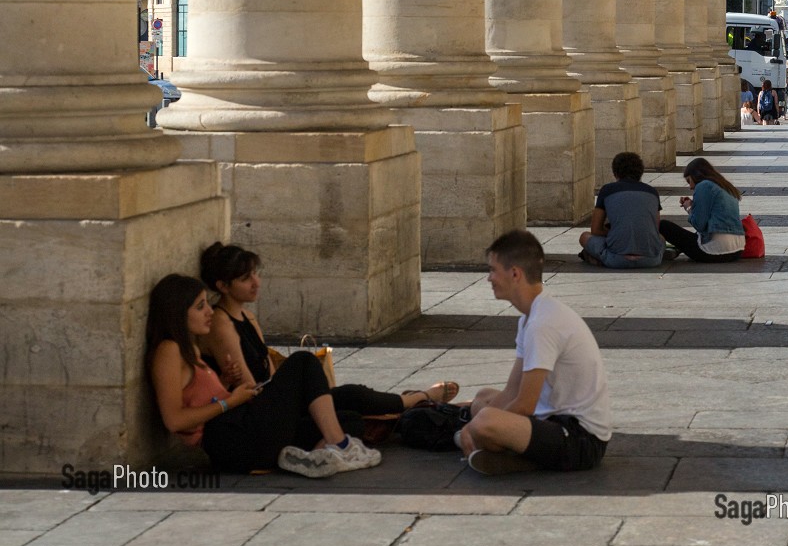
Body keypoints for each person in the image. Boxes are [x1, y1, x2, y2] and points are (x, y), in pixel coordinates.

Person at [146, 274, 382, 478]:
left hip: (242, 430)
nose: (209, 311)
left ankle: (309, 457)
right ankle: (337, 445)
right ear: (177, 313)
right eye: (200, 307)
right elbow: (174, 420)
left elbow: (197, 395)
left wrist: (225, 381)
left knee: (349, 420)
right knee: (303, 361)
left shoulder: (191, 349)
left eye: (207, 303)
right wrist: (230, 401)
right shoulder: (169, 350)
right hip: (229, 438)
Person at [198, 241, 458, 406]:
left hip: (273, 398)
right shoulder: (221, 324)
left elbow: (268, 371)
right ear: (223, 286)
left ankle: (414, 402)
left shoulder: (247, 316)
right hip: (260, 409)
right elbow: (249, 386)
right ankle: (420, 399)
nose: (256, 283)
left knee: (351, 404)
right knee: (346, 395)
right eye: (246, 278)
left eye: (256, 274)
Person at [456, 230, 611, 476]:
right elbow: (511, 390)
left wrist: (475, 427)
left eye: (493, 270)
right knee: (483, 399)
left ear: (515, 273)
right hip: (553, 420)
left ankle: (522, 459)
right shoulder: (531, 317)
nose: (489, 278)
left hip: (581, 439)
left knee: (485, 422)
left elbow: (525, 404)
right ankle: (510, 453)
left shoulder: (543, 323)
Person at [578, 152, 665, 269]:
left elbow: (596, 230)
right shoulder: (652, 192)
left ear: (615, 173)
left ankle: (598, 257)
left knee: (584, 236)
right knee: (661, 238)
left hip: (616, 259)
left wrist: (615, 233)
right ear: (640, 172)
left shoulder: (607, 190)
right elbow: (655, 228)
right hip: (651, 260)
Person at [659, 157, 745, 263]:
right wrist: (694, 205)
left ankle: (654, 252)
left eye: (689, 181)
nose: (690, 187)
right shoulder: (725, 186)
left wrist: (689, 208)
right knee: (692, 236)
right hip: (737, 250)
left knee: (663, 225)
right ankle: (676, 249)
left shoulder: (703, 186)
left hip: (715, 251)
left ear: (696, 175)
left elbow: (699, 224)